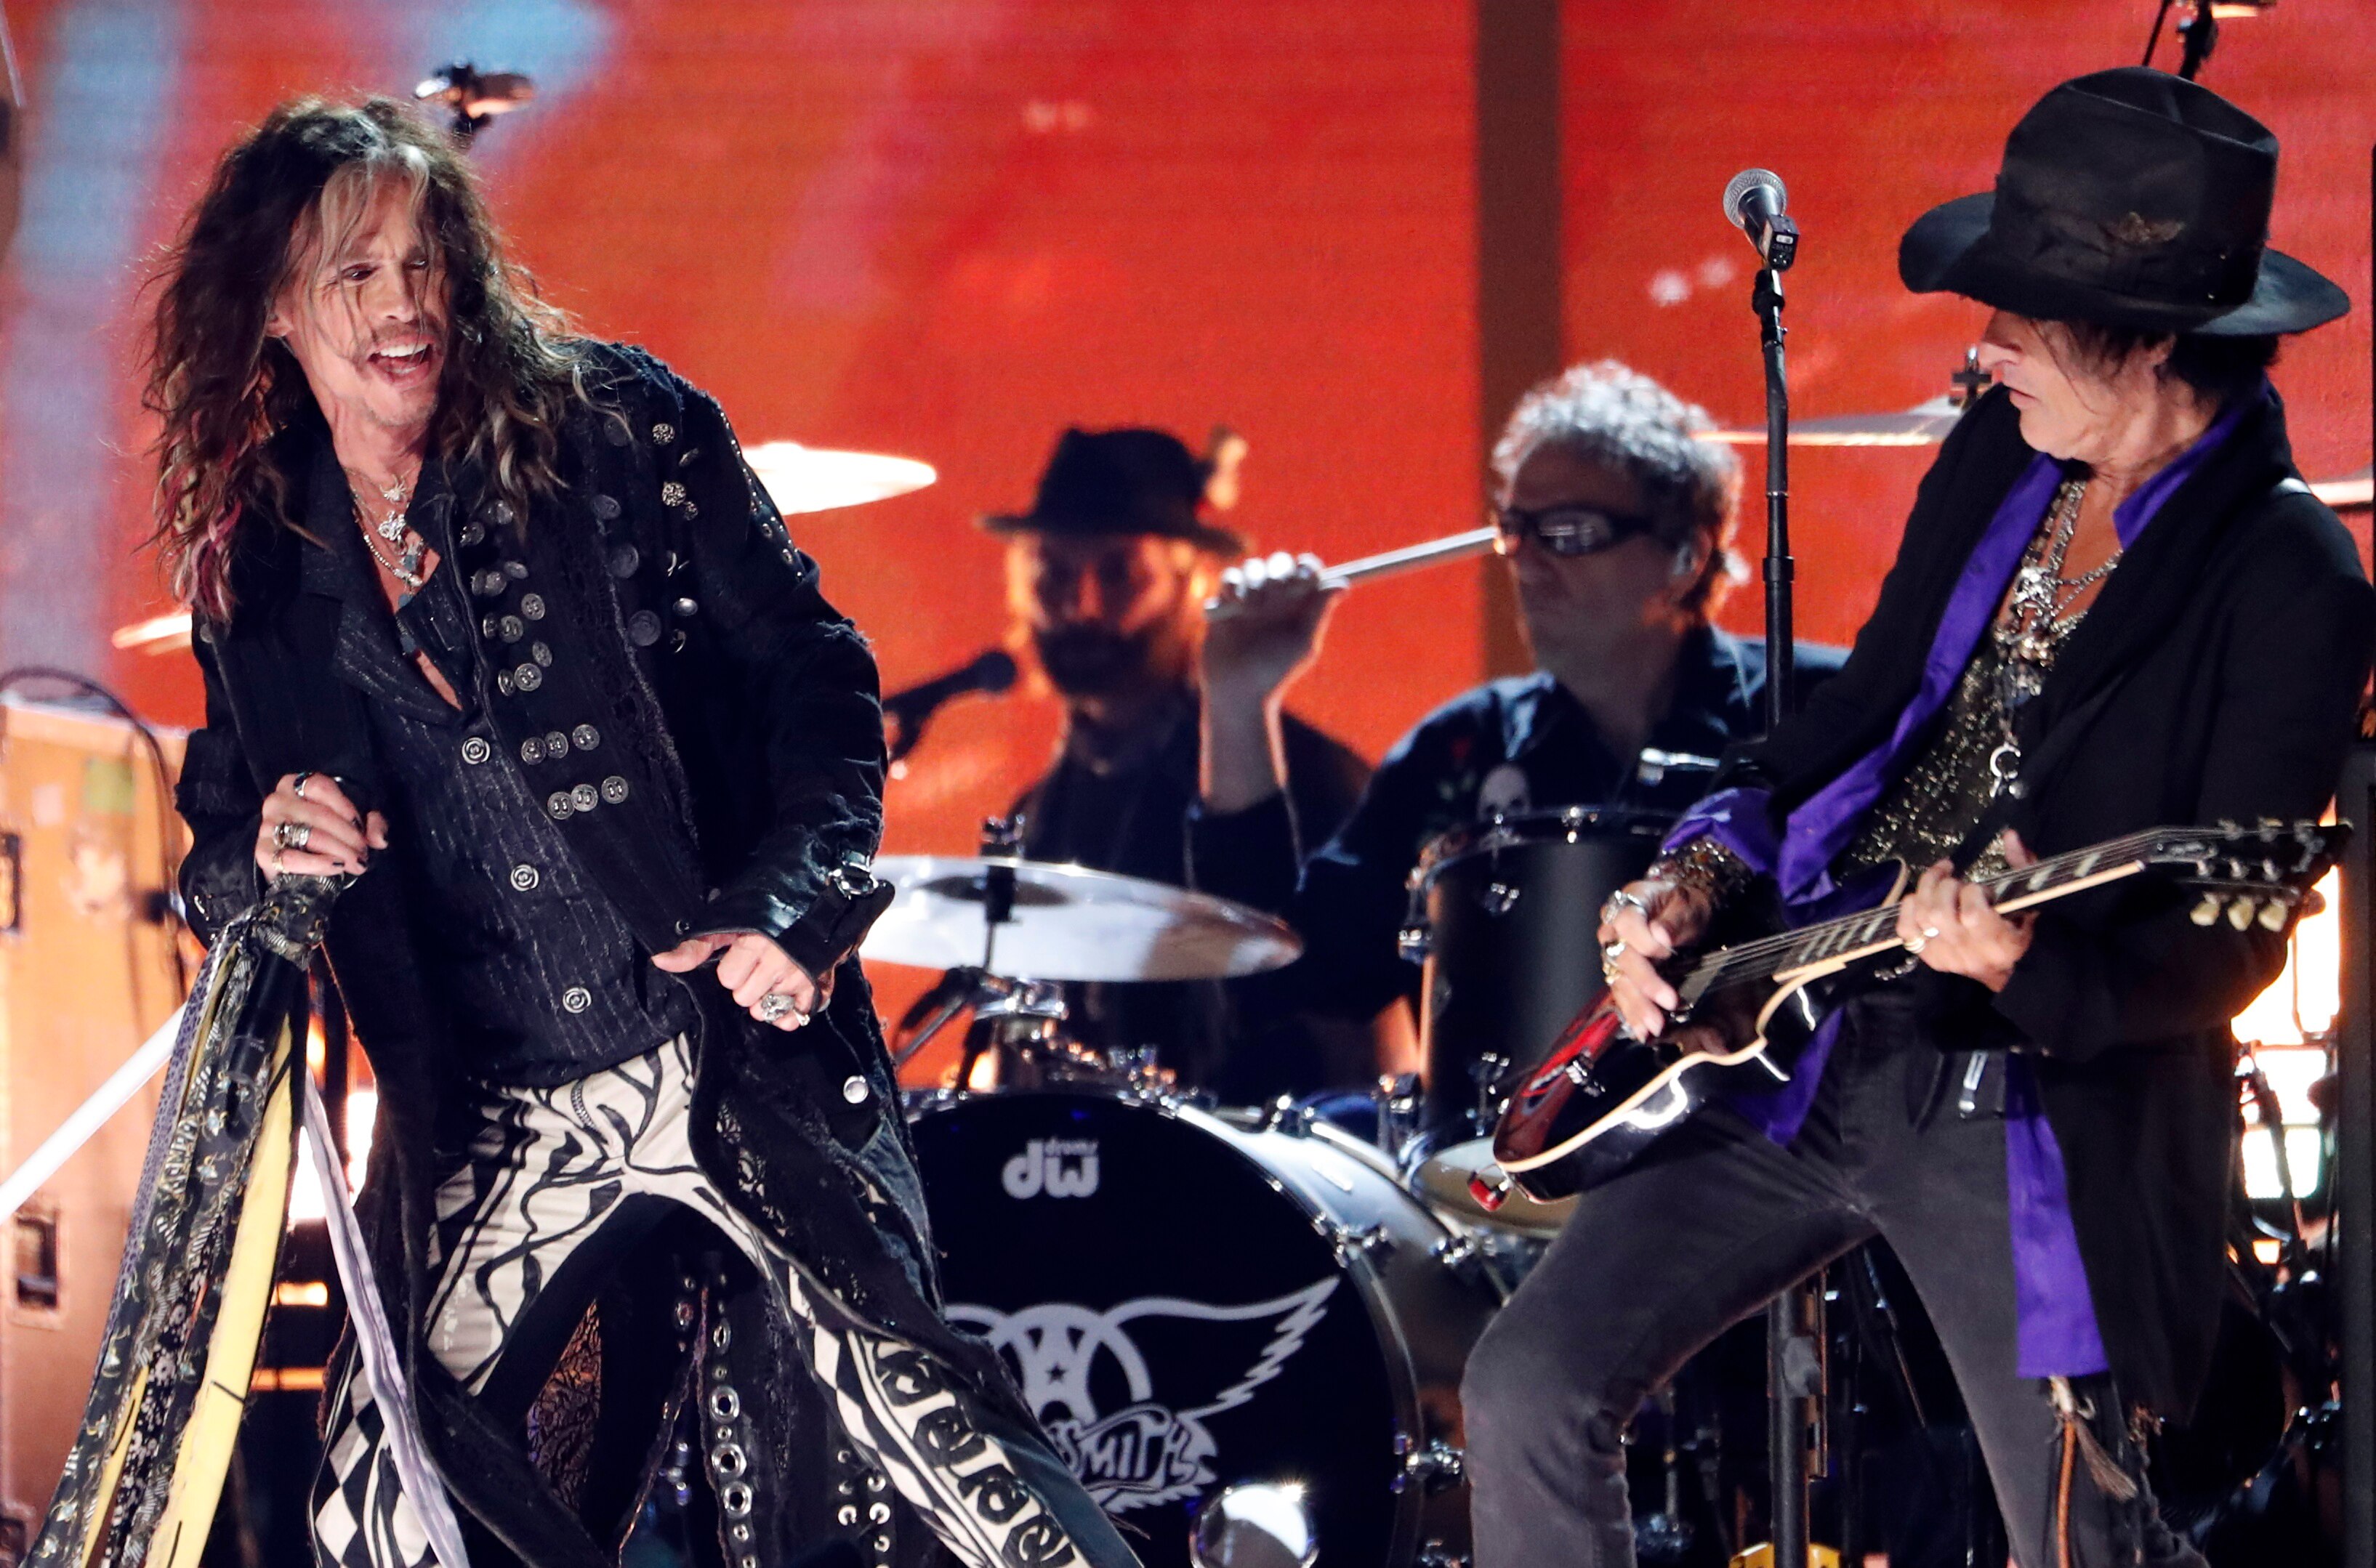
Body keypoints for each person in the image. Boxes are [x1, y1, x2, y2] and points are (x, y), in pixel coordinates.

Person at [159, 98, 1139, 1568]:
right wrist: (267, 854)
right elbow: (218, 845)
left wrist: (793, 902)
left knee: (958, 1476)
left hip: (724, 1049)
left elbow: (818, 671)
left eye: (425, 260)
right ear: (276, 308)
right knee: (380, 1510)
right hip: (504, 1110)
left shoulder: (616, 427)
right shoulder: (256, 566)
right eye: (356, 272)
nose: (405, 301)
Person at [1470, 68, 2374, 1568]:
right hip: (1797, 1028)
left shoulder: (2290, 581)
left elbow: (2224, 950)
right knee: (1525, 1385)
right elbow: (1852, 715)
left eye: (2021, 313)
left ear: (2149, 337)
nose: (1982, 343)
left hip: (2013, 1098)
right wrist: (1696, 869)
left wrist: (2021, 960)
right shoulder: (1999, 454)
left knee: (2080, 1538)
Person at [1191, 361, 1841, 1121]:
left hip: (1779, 1149)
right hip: (1500, 1174)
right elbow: (1289, 974)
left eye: (1566, 533)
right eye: (1514, 530)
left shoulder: (1820, 711)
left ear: (1684, 557)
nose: (1526, 564)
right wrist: (1237, 701)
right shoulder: (1463, 747)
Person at [989, 426, 1375, 1099]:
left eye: (1118, 574)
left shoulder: (1310, 777)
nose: (1080, 606)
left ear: (1190, 581)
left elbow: (1369, 1039)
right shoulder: (1038, 812)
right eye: (1053, 574)